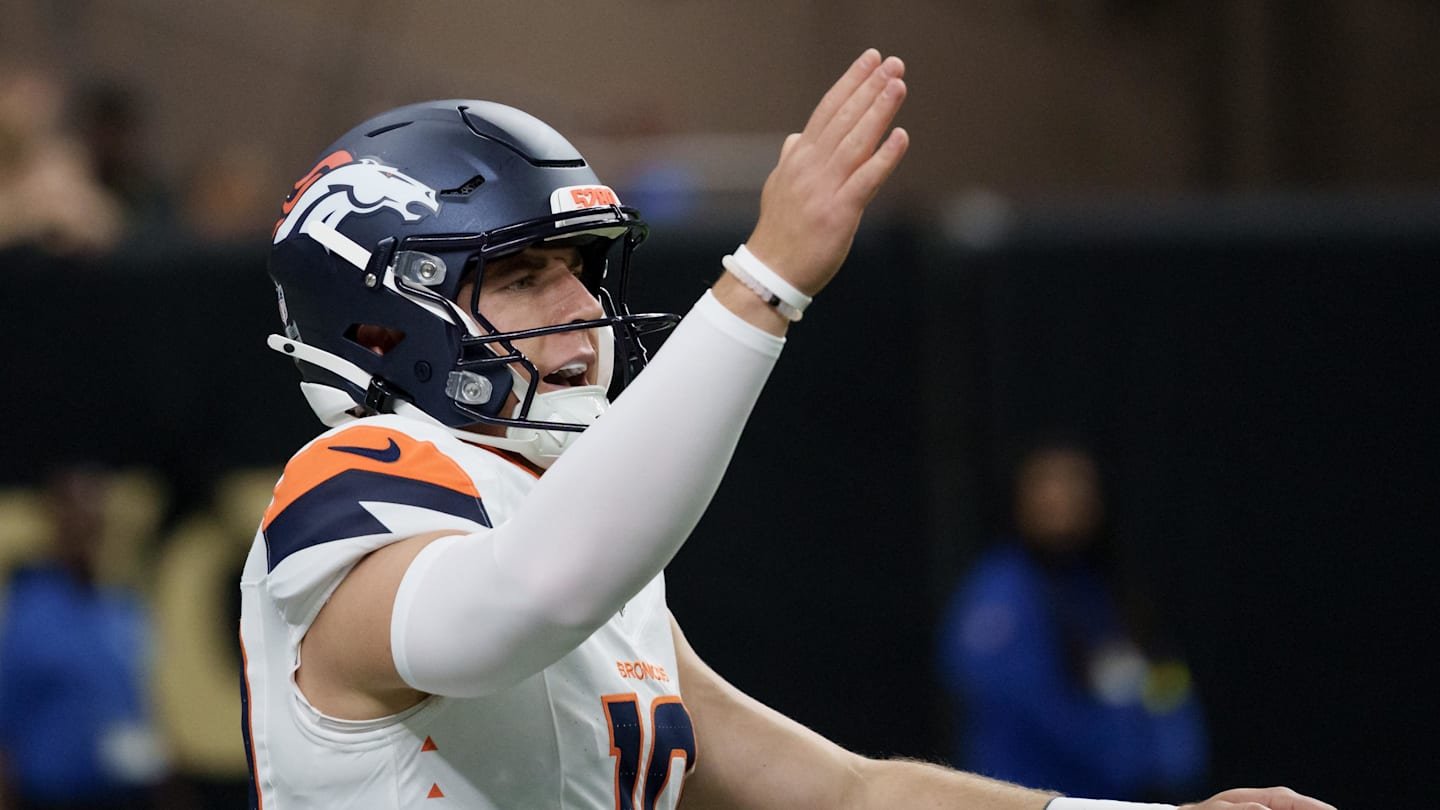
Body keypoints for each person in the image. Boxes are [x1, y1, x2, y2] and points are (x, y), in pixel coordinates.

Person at [242, 50, 1334, 810]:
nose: (581, 307)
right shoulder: (348, 484)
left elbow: (846, 793)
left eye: (578, 268)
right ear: (380, 323)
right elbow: (518, 602)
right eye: (524, 276)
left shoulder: (564, 536)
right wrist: (763, 283)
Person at [938, 442, 1208, 800]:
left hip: (1115, 797)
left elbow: (1164, 672)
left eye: (1075, 483)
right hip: (1028, 798)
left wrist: (1174, 751)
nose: (1060, 498)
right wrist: (1118, 751)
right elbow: (1015, 694)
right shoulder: (999, 592)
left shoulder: (1112, 592)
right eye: (1046, 483)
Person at [0, 465, 167, 809]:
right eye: (75, 514)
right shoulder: (26, 609)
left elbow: (140, 706)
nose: (86, 525)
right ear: (54, 520)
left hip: (126, 794)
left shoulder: (123, 607)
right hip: (49, 796)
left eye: (94, 514)